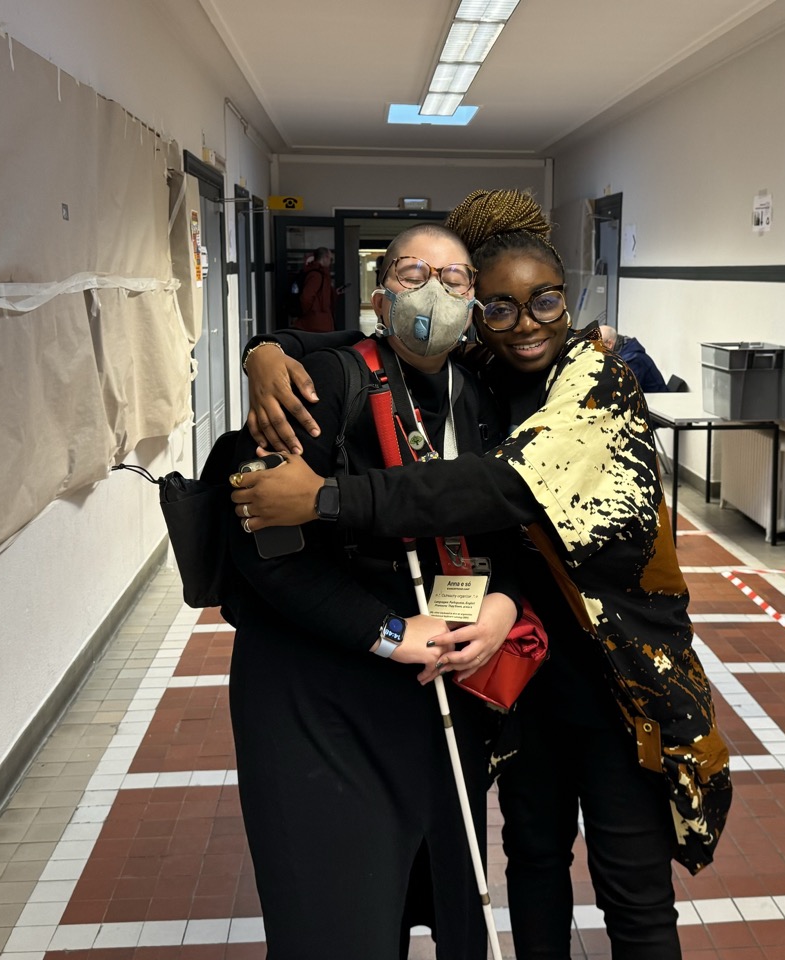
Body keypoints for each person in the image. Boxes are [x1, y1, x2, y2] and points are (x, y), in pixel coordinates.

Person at [233, 190, 732, 959]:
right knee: (532, 862)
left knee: (633, 889)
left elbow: (496, 489)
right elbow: (389, 342)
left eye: (544, 301)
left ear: (569, 300)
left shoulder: (599, 378)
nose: (523, 321)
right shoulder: (486, 372)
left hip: (616, 677)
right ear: (477, 315)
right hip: (524, 676)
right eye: (497, 304)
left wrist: (326, 498)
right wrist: (268, 346)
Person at [223, 222, 523, 959]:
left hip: (438, 698)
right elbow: (261, 550)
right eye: (415, 273)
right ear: (382, 296)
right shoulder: (323, 385)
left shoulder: (483, 397)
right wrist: (390, 631)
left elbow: (516, 523)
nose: (436, 292)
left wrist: (501, 606)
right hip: (319, 702)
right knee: (337, 918)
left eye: (455, 280)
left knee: (444, 897)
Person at [599, 324, 667, 393]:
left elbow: (623, 392)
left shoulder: (632, 360)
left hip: (658, 401)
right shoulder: (623, 352)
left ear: (609, 344)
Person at [294, 246, 338, 332]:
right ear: (325, 257)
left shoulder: (319, 274)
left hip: (318, 321)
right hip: (316, 323)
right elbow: (306, 297)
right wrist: (309, 313)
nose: (330, 262)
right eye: (330, 259)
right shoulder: (316, 275)